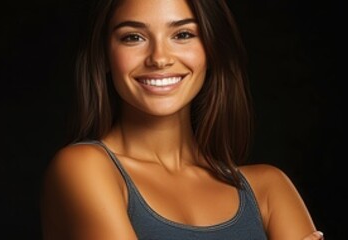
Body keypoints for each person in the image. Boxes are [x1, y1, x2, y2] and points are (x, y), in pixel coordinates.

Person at [40, 0, 323, 239]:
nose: (159, 58)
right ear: (104, 54)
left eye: (183, 34)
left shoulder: (269, 188)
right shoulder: (83, 168)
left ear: (212, 48)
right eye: (133, 37)